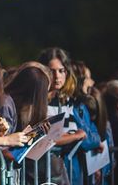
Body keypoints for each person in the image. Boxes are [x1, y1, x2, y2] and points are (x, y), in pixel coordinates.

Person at [38, 48, 86, 185]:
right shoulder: (39, 101)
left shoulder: (66, 100)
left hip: (65, 166)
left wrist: (71, 135)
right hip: (42, 170)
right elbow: (50, 138)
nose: (57, 76)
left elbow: (67, 132)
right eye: (52, 71)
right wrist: (76, 136)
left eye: (61, 70)